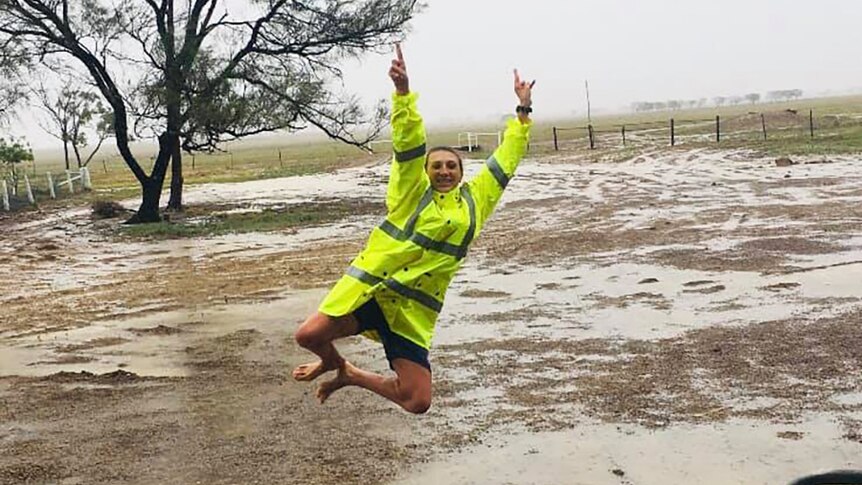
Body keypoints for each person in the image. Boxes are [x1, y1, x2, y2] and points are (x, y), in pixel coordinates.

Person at [292, 43, 534, 414]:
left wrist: (522, 112)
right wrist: (403, 94)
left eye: (451, 166)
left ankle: (350, 375)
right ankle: (332, 362)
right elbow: (408, 142)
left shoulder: (476, 201)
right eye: (436, 165)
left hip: (411, 312)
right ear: (425, 171)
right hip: (375, 292)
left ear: (461, 172)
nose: (443, 170)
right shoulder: (410, 193)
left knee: (417, 400)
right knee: (308, 335)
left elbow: (506, 160)